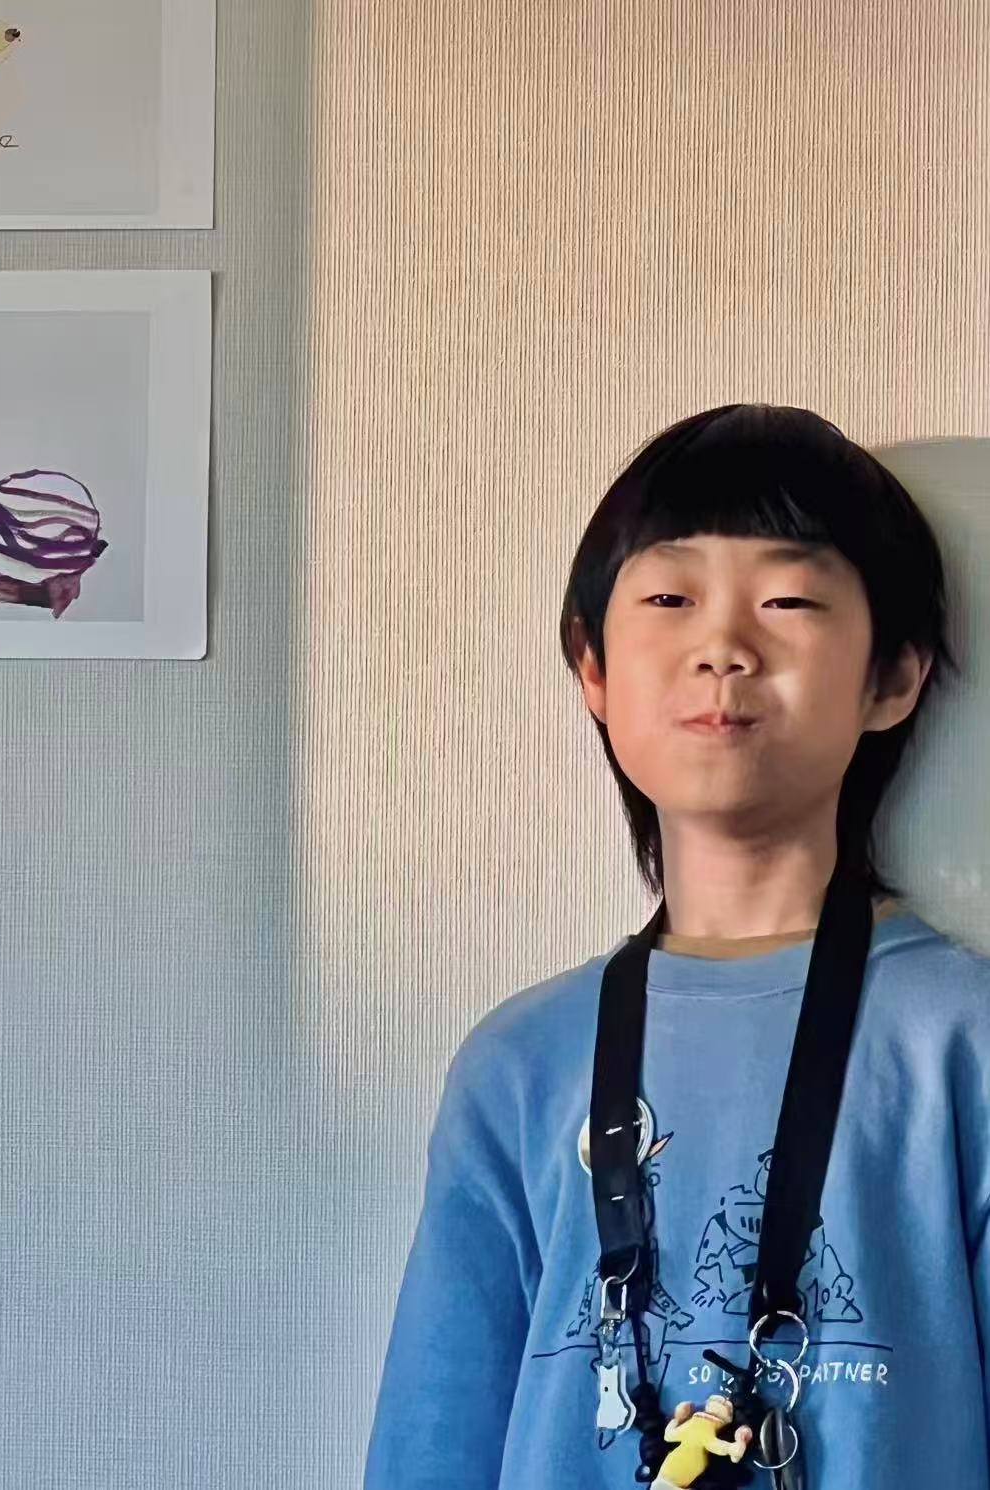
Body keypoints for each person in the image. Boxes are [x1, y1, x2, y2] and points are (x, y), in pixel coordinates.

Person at [363, 403, 990, 1488]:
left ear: (892, 676)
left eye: (788, 600)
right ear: (593, 668)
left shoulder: (964, 1039)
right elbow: (433, 1443)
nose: (723, 648)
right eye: (668, 598)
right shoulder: (520, 1061)